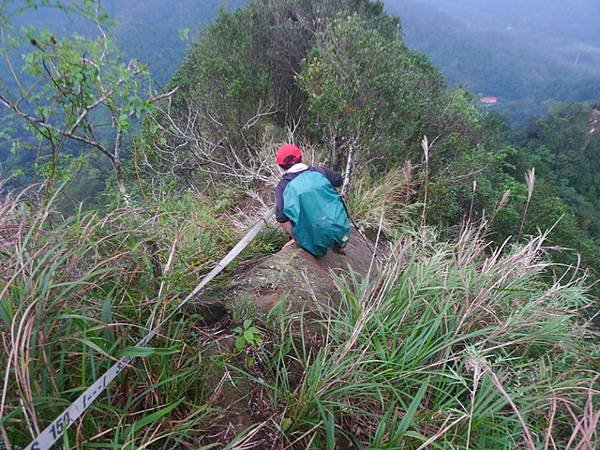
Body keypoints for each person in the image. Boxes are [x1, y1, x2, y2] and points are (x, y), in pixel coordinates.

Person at [274, 143, 351, 257]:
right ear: (301, 158)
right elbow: (338, 180)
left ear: (281, 166)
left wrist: (297, 238)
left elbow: (282, 218)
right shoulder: (320, 172)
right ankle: (338, 244)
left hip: (312, 241)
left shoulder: (283, 186)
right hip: (341, 231)